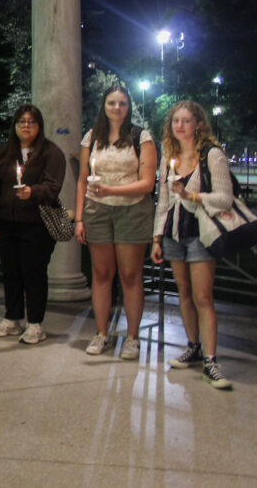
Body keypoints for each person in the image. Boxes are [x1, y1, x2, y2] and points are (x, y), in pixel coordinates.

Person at [151, 101, 233, 389]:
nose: (180, 126)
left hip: (201, 233)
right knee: (183, 293)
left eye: (186, 121)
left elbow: (225, 198)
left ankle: (211, 360)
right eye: (176, 121)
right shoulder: (169, 155)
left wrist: (191, 195)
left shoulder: (212, 154)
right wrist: (157, 237)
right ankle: (193, 346)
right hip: (174, 233)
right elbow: (163, 200)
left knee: (202, 297)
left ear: (199, 124)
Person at [75, 85, 156, 360]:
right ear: (104, 105)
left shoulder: (140, 136)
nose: (117, 107)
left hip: (132, 210)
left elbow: (147, 183)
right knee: (101, 274)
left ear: (128, 106)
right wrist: (78, 218)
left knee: (130, 276)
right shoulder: (92, 136)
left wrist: (112, 191)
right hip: (97, 210)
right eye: (112, 102)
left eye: (122, 103)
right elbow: (82, 179)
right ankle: (101, 333)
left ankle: (132, 337)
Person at [0, 104, 65, 345]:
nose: (26, 126)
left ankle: (35, 323)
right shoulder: (6, 154)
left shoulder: (51, 153)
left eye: (31, 121)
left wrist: (33, 191)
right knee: (11, 273)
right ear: (15, 126)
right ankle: (12, 317)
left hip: (36, 224)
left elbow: (53, 187)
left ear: (39, 126)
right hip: (8, 223)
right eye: (21, 121)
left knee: (34, 274)